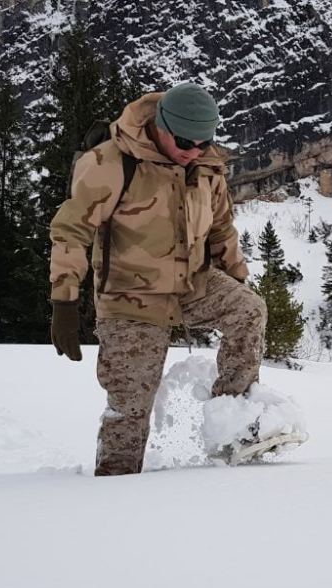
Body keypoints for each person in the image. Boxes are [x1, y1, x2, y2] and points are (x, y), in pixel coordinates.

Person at [48, 83, 265, 476]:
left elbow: (221, 230)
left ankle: (231, 420)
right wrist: (64, 299)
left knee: (249, 311)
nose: (194, 150)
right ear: (161, 125)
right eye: (185, 141)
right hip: (131, 298)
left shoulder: (205, 165)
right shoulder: (111, 162)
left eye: (204, 142)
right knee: (130, 407)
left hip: (191, 284)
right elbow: (71, 229)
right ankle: (115, 488)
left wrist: (237, 280)